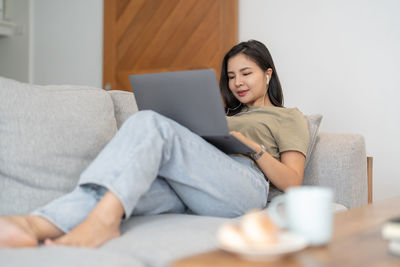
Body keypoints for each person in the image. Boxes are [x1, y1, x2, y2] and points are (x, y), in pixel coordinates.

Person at [0, 40, 309, 248]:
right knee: (116, 188)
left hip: (244, 187)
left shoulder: (289, 117)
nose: (237, 82)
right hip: (193, 184)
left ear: (268, 74)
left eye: (246, 73)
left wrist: (249, 147)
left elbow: (293, 183)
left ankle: (104, 223)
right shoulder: (223, 115)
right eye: (230, 76)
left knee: (148, 122)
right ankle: (31, 226)